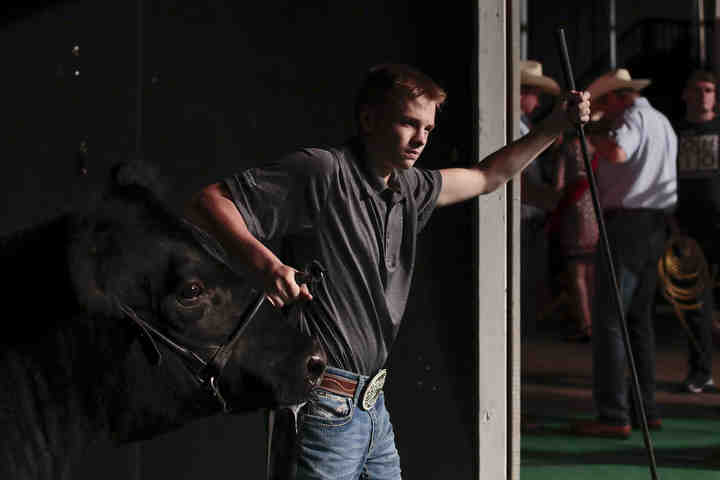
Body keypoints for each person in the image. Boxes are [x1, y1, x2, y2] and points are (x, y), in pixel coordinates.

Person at [185, 63, 590, 478]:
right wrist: (265, 263)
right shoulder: (324, 172)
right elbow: (208, 201)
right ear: (368, 119)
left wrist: (555, 125)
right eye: (408, 123)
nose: (420, 139)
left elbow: (487, 176)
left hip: (373, 406)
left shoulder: (410, 188)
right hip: (324, 403)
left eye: (429, 129)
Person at [571, 68, 677, 439]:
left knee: (610, 321)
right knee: (638, 322)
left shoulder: (630, 119)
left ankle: (614, 414)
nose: (598, 110)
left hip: (627, 225)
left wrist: (588, 133)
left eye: (601, 103)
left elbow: (618, 151)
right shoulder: (661, 120)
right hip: (654, 224)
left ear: (617, 97)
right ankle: (645, 408)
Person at [670, 69, 719, 393]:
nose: (703, 95)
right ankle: (701, 372)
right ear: (686, 94)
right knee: (695, 307)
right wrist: (673, 227)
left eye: (709, 90)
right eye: (698, 89)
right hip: (688, 232)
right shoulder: (674, 131)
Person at [518, 60, 563, 336]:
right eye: (536, 94)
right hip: (525, 216)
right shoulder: (515, 126)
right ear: (523, 93)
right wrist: (553, 201)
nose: (538, 101)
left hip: (530, 216)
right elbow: (519, 181)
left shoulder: (524, 125)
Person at [546, 126, 599, 343]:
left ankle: (585, 324)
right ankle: (597, 322)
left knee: (576, 272)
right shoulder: (597, 146)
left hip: (574, 209)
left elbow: (558, 185)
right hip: (594, 208)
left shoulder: (567, 148)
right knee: (593, 271)